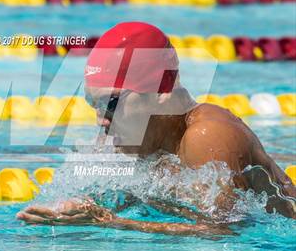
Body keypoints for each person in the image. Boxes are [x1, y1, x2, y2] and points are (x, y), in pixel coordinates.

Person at [17, 22, 296, 236]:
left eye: (112, 103)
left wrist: (109, 222)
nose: (102, 119)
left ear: (162, 88)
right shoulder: (139, 139)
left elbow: (223, 233)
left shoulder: (206, 135)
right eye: (95, 105)